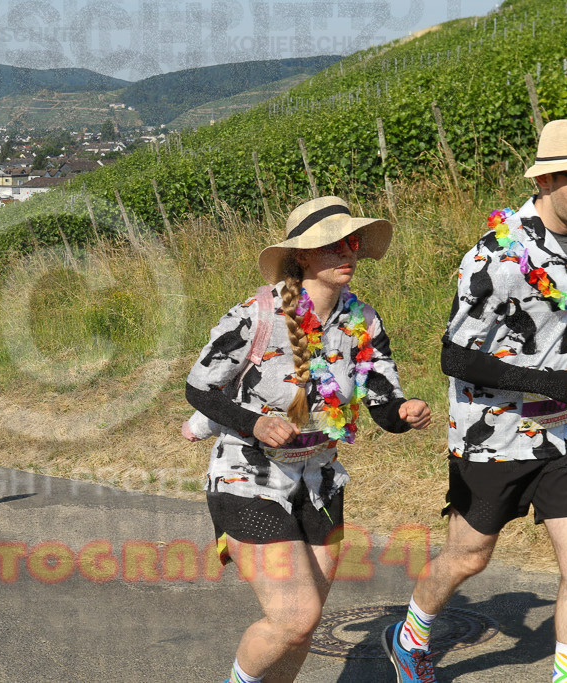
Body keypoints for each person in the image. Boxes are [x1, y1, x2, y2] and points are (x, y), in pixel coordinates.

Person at [184, 196, 431, 683]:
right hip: (248, 476)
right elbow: (199, 387)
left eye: (353, 243)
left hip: (320, 482)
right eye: (333, 245)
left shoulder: (363, 320)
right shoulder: (257, 314)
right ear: (301, 255)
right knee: (294, 618)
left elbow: (382, 398)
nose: (348, 253)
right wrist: (254, 423)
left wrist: (404, 413)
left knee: (303, 626)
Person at [381, 119, 567, 682]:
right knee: (469, 556)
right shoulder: (496, 256)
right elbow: (456, 358)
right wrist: (555, 382)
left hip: (566, 434)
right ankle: (410, 635)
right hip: (496, 434)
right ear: (545, 181)